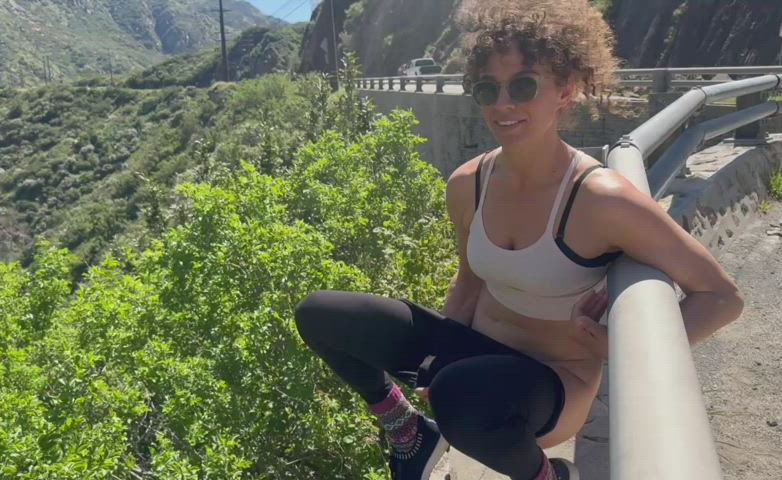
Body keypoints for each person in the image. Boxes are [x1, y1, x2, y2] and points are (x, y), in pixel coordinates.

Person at [294, 1, 745, 479]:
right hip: (472, 358)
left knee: (460, 395)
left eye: (523, 85)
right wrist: (439, 359)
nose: (502, 103)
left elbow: (721, 298)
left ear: (565, 90)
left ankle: (546, 476)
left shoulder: (600, 199)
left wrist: (616, 349)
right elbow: (468, 284)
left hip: (552, 384)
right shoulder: (468, 184)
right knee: (321, 314)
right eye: (487, 88)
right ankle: (408, 432)